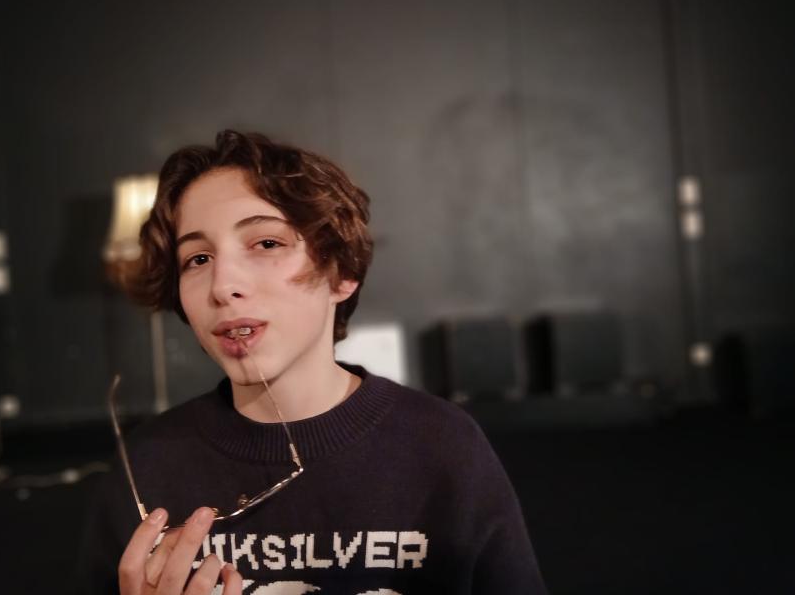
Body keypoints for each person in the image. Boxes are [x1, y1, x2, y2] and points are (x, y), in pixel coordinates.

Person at [78, 130, 547, 595]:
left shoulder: (441, 445)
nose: (222, 286)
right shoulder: (148, 464)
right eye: (197, 259)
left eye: (266, 244)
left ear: (341, 273)